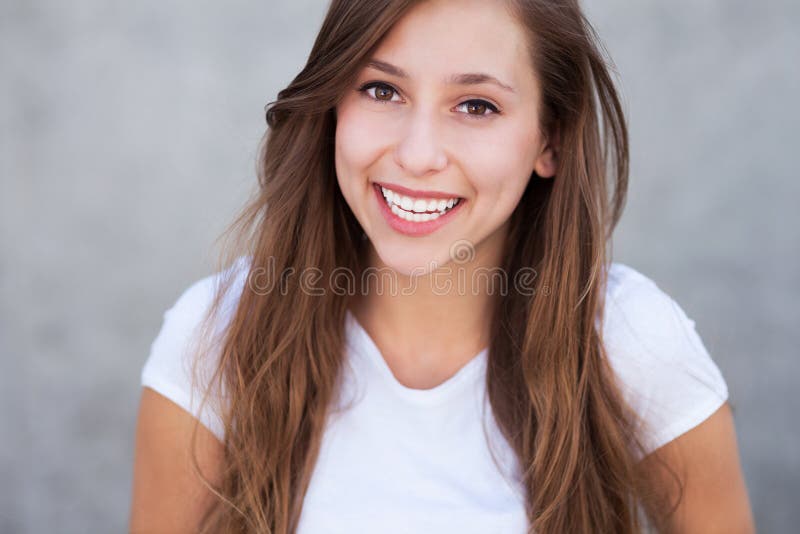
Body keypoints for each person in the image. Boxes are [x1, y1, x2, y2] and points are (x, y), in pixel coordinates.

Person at [129, 0, 755, 532]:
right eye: (382, 90)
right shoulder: (216, 338)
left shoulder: (631, 341)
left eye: (476, 105)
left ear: (550, 140)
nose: (418, 154)